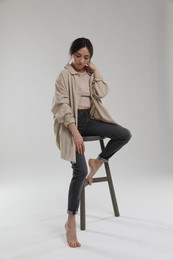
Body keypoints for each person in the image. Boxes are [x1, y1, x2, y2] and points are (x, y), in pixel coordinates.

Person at [51, 37, 131, 248]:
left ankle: (98, 161)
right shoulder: (64, 75)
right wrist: (75, 132)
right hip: (71, 124)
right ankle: (70, 220)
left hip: (90, 119)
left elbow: (103, 92)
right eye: (78, 56)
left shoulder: (89, 73)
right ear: (71, 54)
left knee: (124, 134)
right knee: (79, 170)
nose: (81, 60)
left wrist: (95, 70)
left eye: (86, 57)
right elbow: (61, 106)